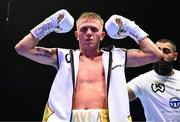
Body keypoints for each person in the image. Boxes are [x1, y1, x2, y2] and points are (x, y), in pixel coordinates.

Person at [15, 9, 162, 122]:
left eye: (94, 29)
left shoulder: (117, 57)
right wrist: (50, 23)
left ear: (102, 35)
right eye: (84, 29)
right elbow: (22, 48)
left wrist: (130, 27)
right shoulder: (63, 56)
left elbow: (155, 55)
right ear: (77, 35)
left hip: (108, 118)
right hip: (68, 118)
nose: (89, 33)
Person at [128, 38, 180, 122]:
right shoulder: (143, 80)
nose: (161, 55)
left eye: (166, 51)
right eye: (157, 51)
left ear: (175, 56)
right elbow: (119, 96)